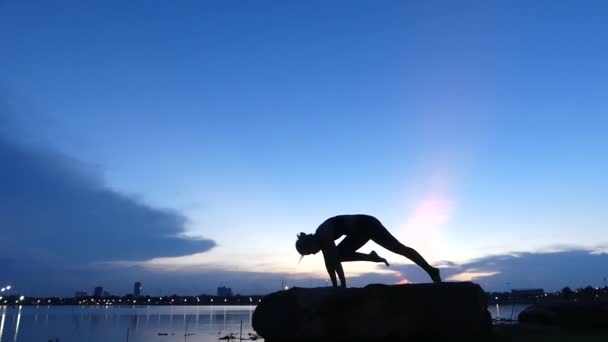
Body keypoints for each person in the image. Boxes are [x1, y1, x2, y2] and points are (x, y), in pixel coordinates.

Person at [296, 214, 441, 287]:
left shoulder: (324, 233)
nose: (314, 253)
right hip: (358, 231)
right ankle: (372, 257)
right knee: (339, 255)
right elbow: (329, 263)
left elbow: (334, 263)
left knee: (399, 249)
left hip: (368, 225)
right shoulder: (321, 238)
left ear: (309, 243)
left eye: (310, 252)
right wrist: (335, 286)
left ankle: (431, 270)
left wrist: (343, 286)